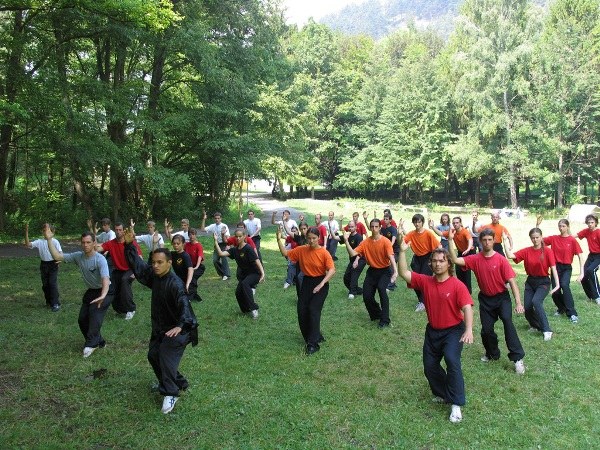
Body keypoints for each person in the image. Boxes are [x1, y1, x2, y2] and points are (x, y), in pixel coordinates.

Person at [123, 230, 198, 415]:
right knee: (153, 355)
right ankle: (178, 382)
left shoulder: (175, 284)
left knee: (165, 355)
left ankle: (171, 392)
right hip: (161, 328)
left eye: (160, 263)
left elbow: (185, 308)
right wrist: (129, 245)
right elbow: (140, 268)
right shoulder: (155, 276)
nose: (155, 266)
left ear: (169, 263)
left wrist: (180, 326)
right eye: (154, 262)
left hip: (181, 329)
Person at [398, 241, 473, 423]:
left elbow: (467, 307)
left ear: (449, 264)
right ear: (430, 264)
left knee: (451, 360)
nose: (438, 264)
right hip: (433, 331)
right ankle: (443, 393)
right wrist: (401, 252)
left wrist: (469, 329)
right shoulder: (425, 281)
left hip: (454, 331)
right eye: (435, 261)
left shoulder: (457, 285)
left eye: (441, 261)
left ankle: (456, 404)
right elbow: (403, 273)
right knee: (429, 366)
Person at [448, 228, 526, 374]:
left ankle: (517, 359)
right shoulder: (476, 258)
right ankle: (492, 353)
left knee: (508, 324)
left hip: (502, 298)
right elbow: (456, 260)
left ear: (494, 241)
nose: (487, 242)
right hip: (485, 300)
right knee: (486, 330)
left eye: (490, 240)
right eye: (484, 240)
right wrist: (451, 240)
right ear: (480, 242)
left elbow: (512, 282)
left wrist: (518, 303)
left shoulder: (501, 259)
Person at [44, 227, 112, 358]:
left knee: (94, 316)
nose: (85, 245)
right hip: (91, 291)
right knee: (82, 319)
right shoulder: (78, 257)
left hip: (105, 291)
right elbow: (57, 256)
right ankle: (99, 341)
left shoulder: (100, 259)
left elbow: (105, 279)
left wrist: (103, 295)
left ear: (94, 243)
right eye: (83, 242)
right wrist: (49, 240)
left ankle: (91, 344)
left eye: (88, 242)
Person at [277, 226, 335, 354]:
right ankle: (312, 336)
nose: (311, 241)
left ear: (318, 238)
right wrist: (278, 239)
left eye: (314, 238)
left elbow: (332, 270)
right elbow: (286, 254)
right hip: (307, 282)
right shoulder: (301, 250)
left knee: (313, 309)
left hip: (321, 283)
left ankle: (313, 344)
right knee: (302, 310)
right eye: (309, 238)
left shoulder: (324, 253)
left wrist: (322, 284)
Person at [506, 228, 560, 341]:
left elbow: (553, 268)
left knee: (536, 301)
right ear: (530, 238)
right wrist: (504, 241)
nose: (535, 240)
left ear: (541, 237)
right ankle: (535, 325)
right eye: (533, 238)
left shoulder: (547, 251)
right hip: (530, 282)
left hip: (543, 282)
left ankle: (547, 330)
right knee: (528, 306)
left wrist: (557, 285)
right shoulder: (527, 251)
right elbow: (511, 256)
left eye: (537, 237)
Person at [343, 218, 398, 328]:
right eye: (372, 226)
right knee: (367, 296)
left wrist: (395, 272)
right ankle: (377, 314)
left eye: (376, 226)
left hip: (384, 271)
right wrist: (346, 241)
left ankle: (385, 320)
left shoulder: (385, 242)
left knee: (382, 290)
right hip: (372, 271)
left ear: (380, 227)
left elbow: (391, 257)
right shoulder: (365, 242)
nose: (374, 229)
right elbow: (353, 253)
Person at [538, 218, 583, 322]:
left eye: (563, 226)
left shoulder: (572, 240)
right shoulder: (554, 238)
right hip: (555, 267)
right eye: (560, 226)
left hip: (566, 268)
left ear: (567, 227)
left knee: (564, 285)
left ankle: (572, 313)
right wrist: (538, 226)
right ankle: (561, 308)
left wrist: (582, 273)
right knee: (555, 290)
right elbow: (539, 240)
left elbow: (580, 256)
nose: (561, 228)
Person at [213, 228, 265, 318]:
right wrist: (216, 241)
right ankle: (246, 309)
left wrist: (263, 274)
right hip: (244, 275)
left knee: (245, 284)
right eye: (236, 236)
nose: (238, 238)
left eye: (240, 236)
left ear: (244, 236)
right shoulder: (234, 250)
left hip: (255, 273)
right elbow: (221, 254)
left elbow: (257, 260)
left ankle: (254, 309)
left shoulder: (248, 248)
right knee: (238, 293)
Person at [96, 222, 142, 320]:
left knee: (125, 281)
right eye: (116, 230)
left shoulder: (130, 243)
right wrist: (91, 243)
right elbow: (99, 248)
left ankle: (131, 309)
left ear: (123, 230)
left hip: (130, 269)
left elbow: (140, 258)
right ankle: (120, 310)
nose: (118, 232)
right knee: (112, 287)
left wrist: (136, 272)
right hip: (118, 270)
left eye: (120, 230)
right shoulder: (111, 243)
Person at [401, 214, 441, 312]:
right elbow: (402, 243)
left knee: (424, 280)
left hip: (428, 257)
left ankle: (423, 302)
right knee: (413, 280)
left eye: (419, 222)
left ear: (422, 222)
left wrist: (441, 258)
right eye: (415, 222)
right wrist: (399, 232)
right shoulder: (411, 234)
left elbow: (438, 246)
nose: (417, 224)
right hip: (417, 259)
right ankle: (422, 300)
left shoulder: (428, 233)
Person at [25, 223, 62, 312]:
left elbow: (60, 253)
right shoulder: (39, 241)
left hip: (53, 264)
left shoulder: (55, 241)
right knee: (45, 285)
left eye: (48, 230)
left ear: (52, 232)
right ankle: (48, 301)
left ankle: (55, 303)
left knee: (52, 283)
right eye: (44, 230)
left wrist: (59, 260)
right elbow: (28, 244)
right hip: (44, 265)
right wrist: (26, 232)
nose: (46, 232)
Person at [440, 217, 474, 293]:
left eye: (457, 222)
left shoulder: (465, 231)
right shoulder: (452, 232)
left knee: (466, 273)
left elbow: (470, 240)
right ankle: (461, 289)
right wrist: (432, 227)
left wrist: (468, 249)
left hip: (468, 253)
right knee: (458, 271)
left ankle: (468, 292)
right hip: (460, 253)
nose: (455, 224)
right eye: (454, 223)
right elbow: (440, 233)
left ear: (460, 223)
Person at [338, 220, 366, 299]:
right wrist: (331, 228)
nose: (350, 228)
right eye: (349, 227)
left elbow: (361, 251)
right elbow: (336, 238)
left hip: (360, 259)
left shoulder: (359, 237)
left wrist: (356, 260)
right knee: (346, 277)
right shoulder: (347, 236)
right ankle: (359, 290)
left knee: (354, 274)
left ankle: (352, 293)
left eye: (352, 226)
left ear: (356, 227)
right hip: (352, 260)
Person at [200, 211, 231, 280]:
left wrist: (228, 245)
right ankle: (222, 274)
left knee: (224, 259)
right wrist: (204, 219)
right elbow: (202, 229)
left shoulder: (224, 226)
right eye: (216, 218)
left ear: (221, 219)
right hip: (217, 245)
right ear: (214, 219)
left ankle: (226, 275)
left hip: (224, 244)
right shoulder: (212, 226)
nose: (217, 219)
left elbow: (228, 237)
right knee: (215, 260)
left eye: (218, 218)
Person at [577, 214, 600, 304]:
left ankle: (598, 296)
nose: (590, 224)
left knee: (590, 270)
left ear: (596, 223)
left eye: (592, 222)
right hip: (591, 256)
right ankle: (591, 296)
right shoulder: (586, 231)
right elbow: (572, 235)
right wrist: (567, 228)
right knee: (583, 276)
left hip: (599, 256)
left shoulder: (598, 232)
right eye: (588, 222)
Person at [185, 228, 205, 302]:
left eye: (193, 234)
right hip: (190, 267)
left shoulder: (198, 245)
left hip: (199, 267)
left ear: (196, 235)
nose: (191, 236)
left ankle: (189, 298)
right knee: (189, 280)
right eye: (190, 234)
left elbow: (200, 257)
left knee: (192, 280)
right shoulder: (186, 245)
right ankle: (197, 297)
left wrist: (196, 267)